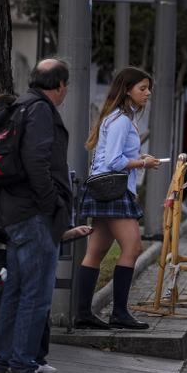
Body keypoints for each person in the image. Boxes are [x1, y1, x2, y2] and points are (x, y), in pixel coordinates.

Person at [0, 59, 74, 373]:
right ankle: (22, 364)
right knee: (35, 295)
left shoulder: (19, 106)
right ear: (60, 85)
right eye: (67, 86)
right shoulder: (40, 112)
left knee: (16, 291)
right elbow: (38, 161)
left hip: (12, 212)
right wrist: (51, 204)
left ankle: (5, 361)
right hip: (33, 214)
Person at [74, 67, 160, 330]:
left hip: (104, 189)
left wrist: (139, 159)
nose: (147, 93)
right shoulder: (122, 119)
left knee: (96, 251)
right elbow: (114, 161)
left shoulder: (116, 117)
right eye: (142, 88)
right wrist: (142, 164)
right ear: (127, 90)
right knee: (133, 248)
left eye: (148, 88)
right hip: (114, 190)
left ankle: (83, 314)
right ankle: (119, 313)